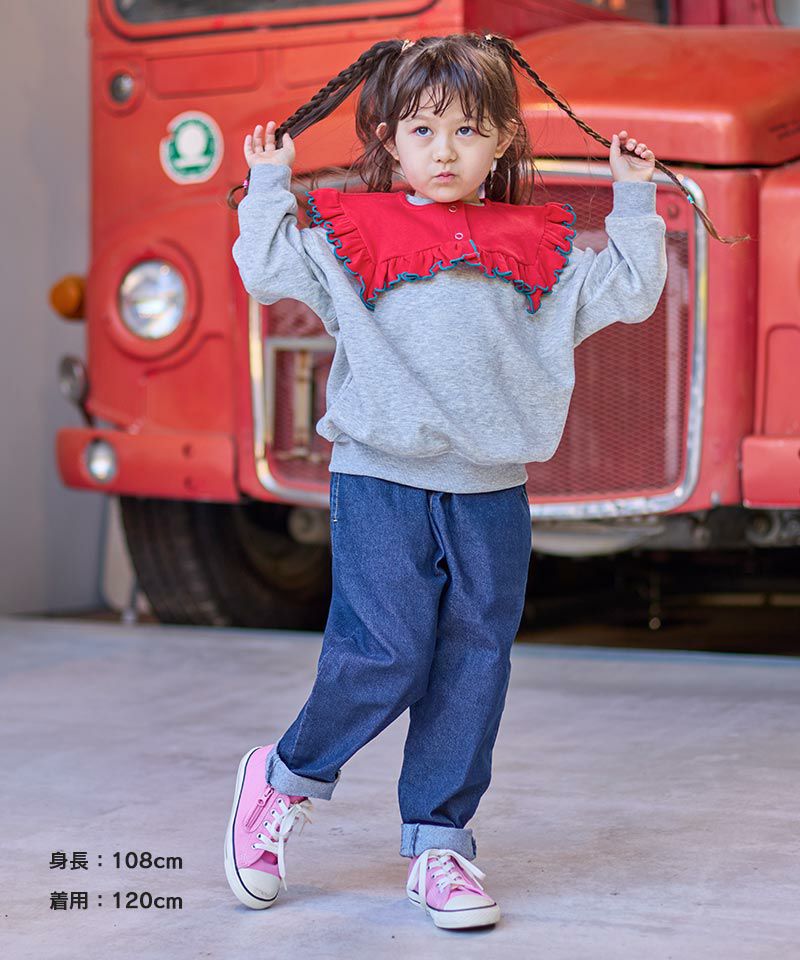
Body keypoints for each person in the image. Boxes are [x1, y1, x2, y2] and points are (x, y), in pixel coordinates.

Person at [223, 32, 740, 931]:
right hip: (380, 479)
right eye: (423, 130)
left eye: (468, 130)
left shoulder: (535, 249)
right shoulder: (353, 236)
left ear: (502, 140)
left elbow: (630, 291)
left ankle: (439, 844)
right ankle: (283, 776)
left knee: (474, 662)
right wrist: (270, 184)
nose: (445, 151)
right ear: (388, 139)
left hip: (491, 490)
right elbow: (268, 271)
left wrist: (632, 196)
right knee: (385, 653)